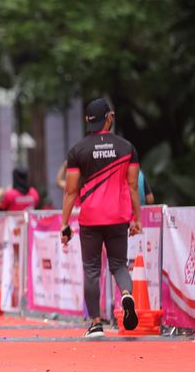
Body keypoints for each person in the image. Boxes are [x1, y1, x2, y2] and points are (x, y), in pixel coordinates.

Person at [60, 98, 142, 338]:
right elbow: (133, 186)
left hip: (90, 219)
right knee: (119, 265)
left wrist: (64, 223)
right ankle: (126, 295)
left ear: (88, 121)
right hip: (118, 216)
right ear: (109, 117)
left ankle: (96, 324)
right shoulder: (127, 148)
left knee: (92, 269)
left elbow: (70, 191)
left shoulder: (78, 150)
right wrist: (137, 219)